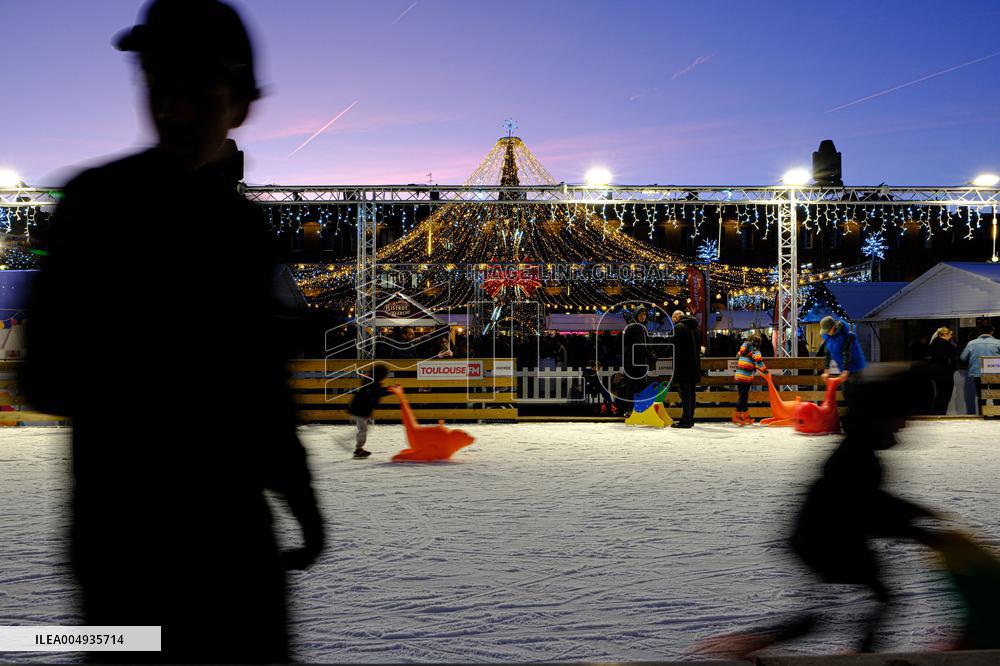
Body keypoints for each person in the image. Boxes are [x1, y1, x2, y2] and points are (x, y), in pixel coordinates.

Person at [21, 1, 324, 661]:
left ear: (241, 104)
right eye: (159, 90)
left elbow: (263, 389)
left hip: (232, 551)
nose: (174, 111)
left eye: (198, 93)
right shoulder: (93, 206)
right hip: (126, 554)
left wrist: (299, 496)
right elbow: (41, 373)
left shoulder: (239, 230)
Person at [695, 364, 938, 658]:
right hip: (824, 537)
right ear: (881, 416)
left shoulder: (861, 450)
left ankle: (769, 643)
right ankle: (756, 643)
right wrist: (916, 529)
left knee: (857, 602)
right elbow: (866, 507)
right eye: (901, 418)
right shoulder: (858, 456)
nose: (904, 426)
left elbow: (872, 503)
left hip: (829, 533)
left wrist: (914, 515)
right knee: (856, 603)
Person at [819, 316, 866, 408]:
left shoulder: (847, 336)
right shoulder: (829, 337)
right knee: (846, 394)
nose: (827, 332)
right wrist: (826, 369)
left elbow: (846, 353)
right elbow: (828, 353)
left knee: (855, 394)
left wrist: (846, 370)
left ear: (833, 327)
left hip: (855, 367)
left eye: (828, 330)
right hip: (843, 368)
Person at [346, 364, 391, 458]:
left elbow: (377, 391)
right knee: (363, 429)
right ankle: (358, 449)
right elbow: (376, 393)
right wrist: (389, 390)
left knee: (365, 427)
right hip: (359, 410)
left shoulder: (371, 381)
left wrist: (389, 389)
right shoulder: (371, 383)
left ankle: (355, 445)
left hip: (359, 409)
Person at [959, 322, 1000, 415]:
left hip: (978, 373)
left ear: (979, 332)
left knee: (981, 397)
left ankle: (982, 416)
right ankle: (997, 416)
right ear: (992, 331)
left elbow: (963, 358)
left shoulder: (971, 343)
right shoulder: (998, 343)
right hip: (995, 373)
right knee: (997, 395)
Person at [670, 310, 702, 428]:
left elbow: (673, 345)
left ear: (678, 317)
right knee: (692, 393)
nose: (672, 320)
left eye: (673, 317)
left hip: (683, 366)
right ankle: (690, 418)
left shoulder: (679, 327)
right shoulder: (696, 328)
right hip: (694, 366)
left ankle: (685, 420)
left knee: (684, 393)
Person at [733, 333, 768, 426]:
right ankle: (736, 416)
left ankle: (745, 416)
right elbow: (759, 363)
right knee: (743, 398)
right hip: (746, 377)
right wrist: (766, 372)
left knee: (743, 396)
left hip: (738, 375)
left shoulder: (743, 349)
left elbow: (737, 356)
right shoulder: (755, 351)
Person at [622, 306, 653, 411]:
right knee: (633, 386)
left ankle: (637, 409)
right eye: (640, 314)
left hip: (639, 362)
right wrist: (650, 355)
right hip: (633, 363)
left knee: (639, 386)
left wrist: (650, 353)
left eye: (644, 314)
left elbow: (646, 344)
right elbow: (639, 345)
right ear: (636, 315)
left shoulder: (641, 327)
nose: (643, 317)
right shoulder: (634, 327)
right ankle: (631, 409)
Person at [928, 327, 958, 415]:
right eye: (950, 334)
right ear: (944, 335)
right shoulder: (945, 344)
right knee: (946, 394)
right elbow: (955, 353)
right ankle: (941, 413)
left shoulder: (934, 343)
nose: (951, 336)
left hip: (936, 372)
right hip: (945, 372)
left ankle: (936, 412)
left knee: (940, 393)